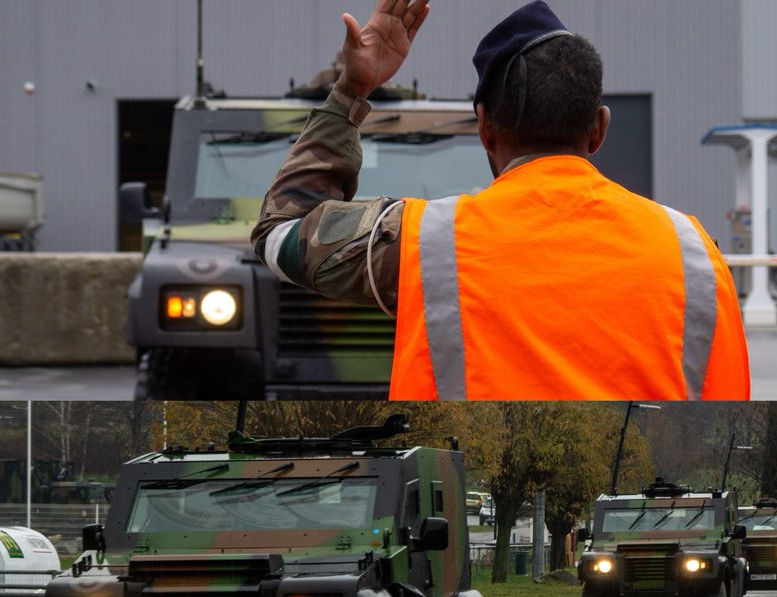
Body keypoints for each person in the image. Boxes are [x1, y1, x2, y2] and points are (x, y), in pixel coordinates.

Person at [251, 0, 751, 402]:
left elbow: (280, 229)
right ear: (599, 129)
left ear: (485, 129)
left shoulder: (422, 242)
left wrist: (351, 89)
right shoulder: (694, 255)